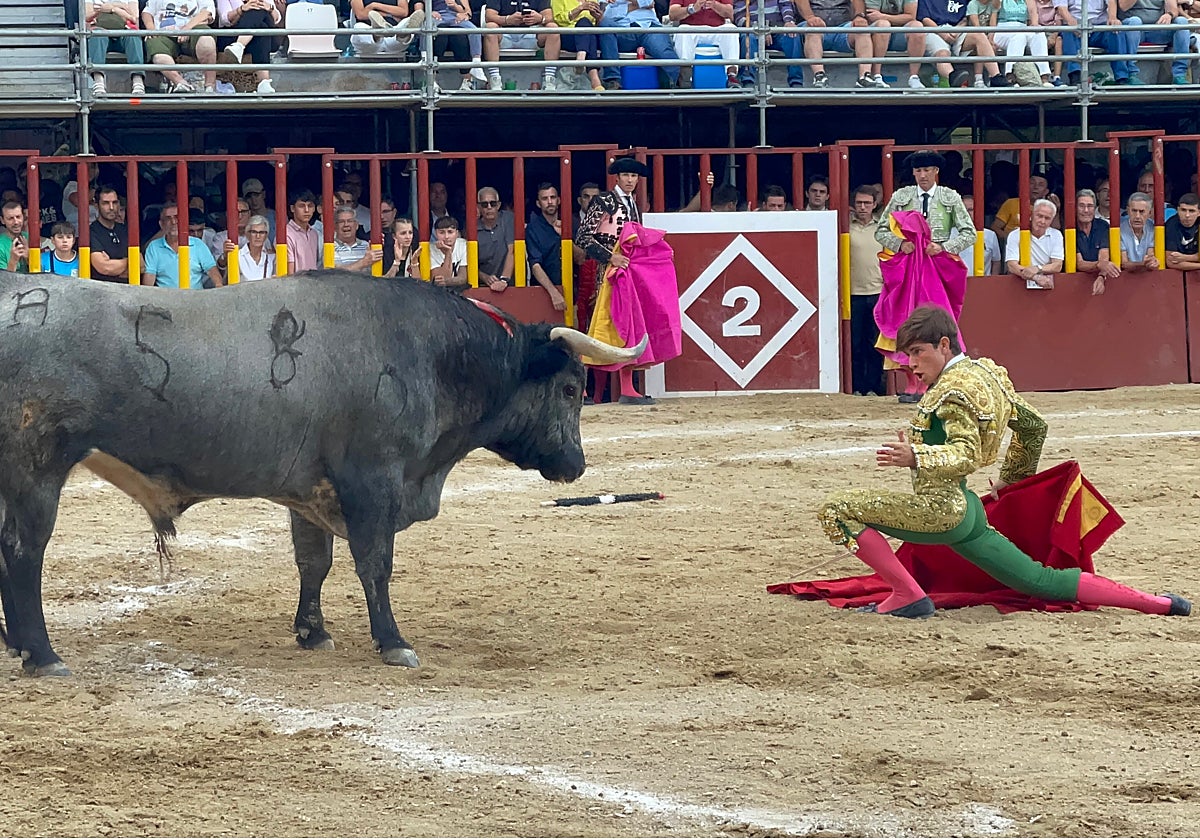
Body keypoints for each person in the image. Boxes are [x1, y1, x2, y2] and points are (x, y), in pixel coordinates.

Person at [817, 304, 1191, 620]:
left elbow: (964, 453)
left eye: (918, 352)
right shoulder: (987, 375)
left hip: (941, 510)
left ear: (944, 345)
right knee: (1041, 581)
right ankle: (1161, 604)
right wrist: (1010, 482)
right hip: (970, 516)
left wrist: (917, 455)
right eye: (908, 354)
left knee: (836, 510)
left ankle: (906, 595)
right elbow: (1032, 427)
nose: (911, 363)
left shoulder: (952, 390)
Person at [875, 149, 974, 402]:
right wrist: (900, 245)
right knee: (907, 321)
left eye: (927, 170)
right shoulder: (902, 197)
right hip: (909, 267)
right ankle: (912, 383)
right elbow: (881, 230)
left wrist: (943, 247)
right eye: (918, 171)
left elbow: (969, 233)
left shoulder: (949, 197)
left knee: (934, 321)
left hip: (936, 266)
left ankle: (933, 383)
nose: (922, 175)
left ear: (936, 172)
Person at [574, 156, 657, 405]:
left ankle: (627, 387)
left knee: (626, 326)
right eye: (626, 176)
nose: (631, 180)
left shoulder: (633, 204)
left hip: (626, 273)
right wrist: (611, 257)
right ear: (617, 178)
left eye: (634, 176)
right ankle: (582, 389)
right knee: (597, 328)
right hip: (604, 274)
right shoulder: (604, 202)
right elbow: (583, 237)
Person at [848, 186, 884, 396]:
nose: (863, 207)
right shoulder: (845, 227)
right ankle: (857, 386)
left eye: (867, 203)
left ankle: (873, 386)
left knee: (874, 342)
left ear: (874, 204)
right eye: (859, 203)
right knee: (855, 343)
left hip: (877, 291)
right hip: (852, 292)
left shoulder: (882, 228)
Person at [142, 0, 219, 94]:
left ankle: (210, 86)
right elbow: (147, 12)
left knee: (207, 41)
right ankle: (180, 83)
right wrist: (151, 29)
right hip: (163, 33)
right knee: (155, 48)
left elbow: (206, 12)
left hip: (192, 29)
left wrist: (187, 28)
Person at [484, 0, 562, 91]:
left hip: (531, 35)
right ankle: (495, 79)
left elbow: (549, 16)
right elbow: (489, 16)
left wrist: (540, 18)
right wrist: (507, 20)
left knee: (553, 28)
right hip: (504, 34)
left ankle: (549, 79)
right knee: (490, 27)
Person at [142, 204, 224, 289]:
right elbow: (150, 275)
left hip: (195, 298)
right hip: (166, 299)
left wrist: (219, 287)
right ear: (161, 224)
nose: (174, 222)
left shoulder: (198, 244)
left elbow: (211, 269)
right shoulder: (154, 247)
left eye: (177, 217)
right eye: (168, 218)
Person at [217, 0, 281, 94]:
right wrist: (241, 9)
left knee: (258, 9)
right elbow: (224, 19)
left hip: (264, 39)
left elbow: (277, 19)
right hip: (232, 35)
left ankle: (239, 45)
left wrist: (270, 8)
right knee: (262, 29)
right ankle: (264, 82)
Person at [85, 0, 147, 97]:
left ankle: (137, 80)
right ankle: (98, 81)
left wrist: (113, 8)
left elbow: (134, 18)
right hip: (101, 33)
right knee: (97, 34)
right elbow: (87, 17)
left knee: (133, 35)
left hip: (123, 33)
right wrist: (101, 11)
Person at [1004, 198, 1063, 289]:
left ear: (1052, 220)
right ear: (1031, 215)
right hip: (1018, 285)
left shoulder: (1056, 235)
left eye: (1047, 218)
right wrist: (1035, 277)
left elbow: (1057, 265)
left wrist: (1037, 268)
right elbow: (1012, 265)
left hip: (1047, 285)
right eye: (1039, 216)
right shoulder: (1015, 234)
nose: (1042, 221)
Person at [526, 182, 567, 311]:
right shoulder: (533, 229)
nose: (550, 202)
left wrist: (564, 237)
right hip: (543, 292)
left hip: (572, 288)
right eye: (545, 198)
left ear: (559, 200)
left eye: (553, 197)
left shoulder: (569, 222)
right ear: (538, 204)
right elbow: (535, 265)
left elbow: (581, 257)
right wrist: (553, 292)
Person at [1073, 188, 1120, 295]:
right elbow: (1079, 263)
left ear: (1095, 208)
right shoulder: (1070, 229)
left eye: (1090, 206)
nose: (1086, 210)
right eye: (1081, 206)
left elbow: (1104, 257)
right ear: (1075, 208)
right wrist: (1099, 265)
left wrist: (1101, 276)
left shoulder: (1103, 226)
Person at [475, 186, 515, 291]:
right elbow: (468, 262)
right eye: (484, 204)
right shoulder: (471, 228)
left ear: (498, 205)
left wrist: (504, 280)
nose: (489, 207)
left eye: (493, 204)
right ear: (478, 207)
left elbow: (512, 251)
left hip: (511, 285)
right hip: (483, 287)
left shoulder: (508, 219)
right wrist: (484, 277)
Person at [90, 185, 130, 283]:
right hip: (103, 292)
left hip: (130, 290)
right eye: (106, 203)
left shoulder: (126, 230)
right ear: (96, 205)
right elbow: (104, 268)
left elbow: (141, 266)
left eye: (115, 202)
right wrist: (130, 261)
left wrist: (116, 266)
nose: (111, 207)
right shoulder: (91, 232)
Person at [226, 214, 277, 280]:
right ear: (248, 234)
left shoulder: (272, 257)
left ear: (266, 235)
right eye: (254, 232)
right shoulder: (237, 256)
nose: (258, 236)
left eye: (261, 232)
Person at [331, 206, 382, 271]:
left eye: (350, 221)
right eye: (341, 222)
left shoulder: (366, 246)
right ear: (335, 226)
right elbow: (336, 274)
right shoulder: (330, 247)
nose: (346, 224)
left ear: (357, 225)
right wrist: (363, 262)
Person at [1120, 191, 1158, 272]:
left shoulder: (1154, 229)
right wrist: (1143, 264)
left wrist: (1152, 262)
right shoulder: (1119, 230)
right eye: (1134, 211)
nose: (1137, 216)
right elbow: (1124, 264)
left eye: (1141, 212)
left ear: (1150, 213)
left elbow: (1150, 257)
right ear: (1127, 210)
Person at [286, 189, 321, 273]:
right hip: (297, 284)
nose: (306, 210)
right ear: (292, 208)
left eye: (310, 206)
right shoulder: (286, 234)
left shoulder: (314, 233)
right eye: (301, 206)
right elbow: (289, 271)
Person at [1163, 192, 1200, 271]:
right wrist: (1196, 259)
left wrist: (1184, 257)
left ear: (1199, 213)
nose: (1187, 215)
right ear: (1178, 210)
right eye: (1183, 210)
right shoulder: (1171, 225)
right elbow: (1171, 262)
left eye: (1191, 211)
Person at [429, 215, 468, 288]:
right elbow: (439, 280)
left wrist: (447, 281)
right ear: (436, 234)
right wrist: (448, 253)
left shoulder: (463, 245)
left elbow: (463, 278)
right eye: (442, 232)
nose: (446, 236)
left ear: (457, 233)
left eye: (450, 232)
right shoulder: (430, 249)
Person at [0, 201, 29, 273]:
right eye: (10, 218)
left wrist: (29, 258)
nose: (16, 222)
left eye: (18, 217)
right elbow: (4, 281)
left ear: (23, 217)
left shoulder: (30, 238)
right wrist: (13, 260)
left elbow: (43, 273)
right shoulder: (1, 245)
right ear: (2, 220)